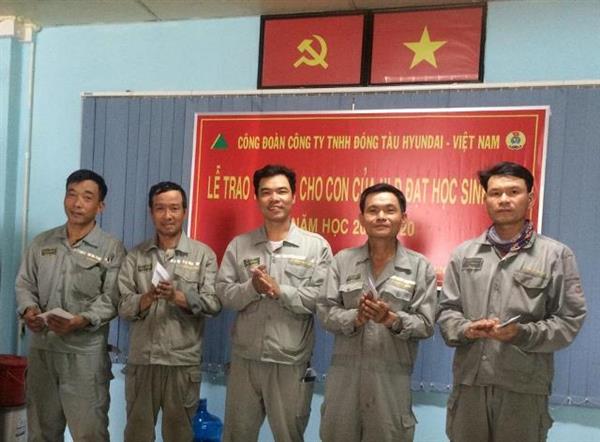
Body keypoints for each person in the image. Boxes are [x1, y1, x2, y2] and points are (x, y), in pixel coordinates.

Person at [437, 161, 587, 442]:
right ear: (486, 200)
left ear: (530, 198)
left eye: (513, 192)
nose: (504, 199)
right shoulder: (464, 254)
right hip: (470, 385)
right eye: (495, 193)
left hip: (524, 389)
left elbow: (570, 320)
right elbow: (447, 311)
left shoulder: (556, 255)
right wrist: (466, 329)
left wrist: (522, 334)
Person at [216, 164, 332, 442]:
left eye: (281, 191)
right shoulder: (240, 245)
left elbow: (321, 299)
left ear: (294, 196)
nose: (274, 198)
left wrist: (281, 291)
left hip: (290, 362)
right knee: (236, 436)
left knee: (289, 437)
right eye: (266, 192)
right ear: (257, 198)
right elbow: (223, 293)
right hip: (245, 360)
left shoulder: (316, 247)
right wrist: (251, 288)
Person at [317, 183, 437, 442]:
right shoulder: (342, 261)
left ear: (403, 218)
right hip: (344, 385)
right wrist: (355, 318)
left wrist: (392, 320)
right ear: (361, 219)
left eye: (389, 210)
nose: (381, 216)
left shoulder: (420, 267)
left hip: (390, 385)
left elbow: (426, 324)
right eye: (373, 211)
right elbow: (325, 311)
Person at [15, 169, 126, 441]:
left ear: (100, 206)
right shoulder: (42, 242)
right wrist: (29, 310)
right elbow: (25, 284)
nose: (77, 203)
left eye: (87, 197)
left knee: (89, 434)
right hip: (43, 351)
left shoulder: (111, 248)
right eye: (71, 195)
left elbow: (113, 297)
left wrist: (81, 320)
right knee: (41, 433)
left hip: (84, 357)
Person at [118, 181, 221, 442]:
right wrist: (148, 297)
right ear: (151, 212)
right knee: (137, 435)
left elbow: (213, 304)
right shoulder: (136, 256)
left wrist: (177, 297)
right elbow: (123, 306)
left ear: (184, 211)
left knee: (179, 436)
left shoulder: (203, 255)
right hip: (143, 362)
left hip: (182, 363)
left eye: (174, 208)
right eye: (160, 208)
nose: (168, 215)